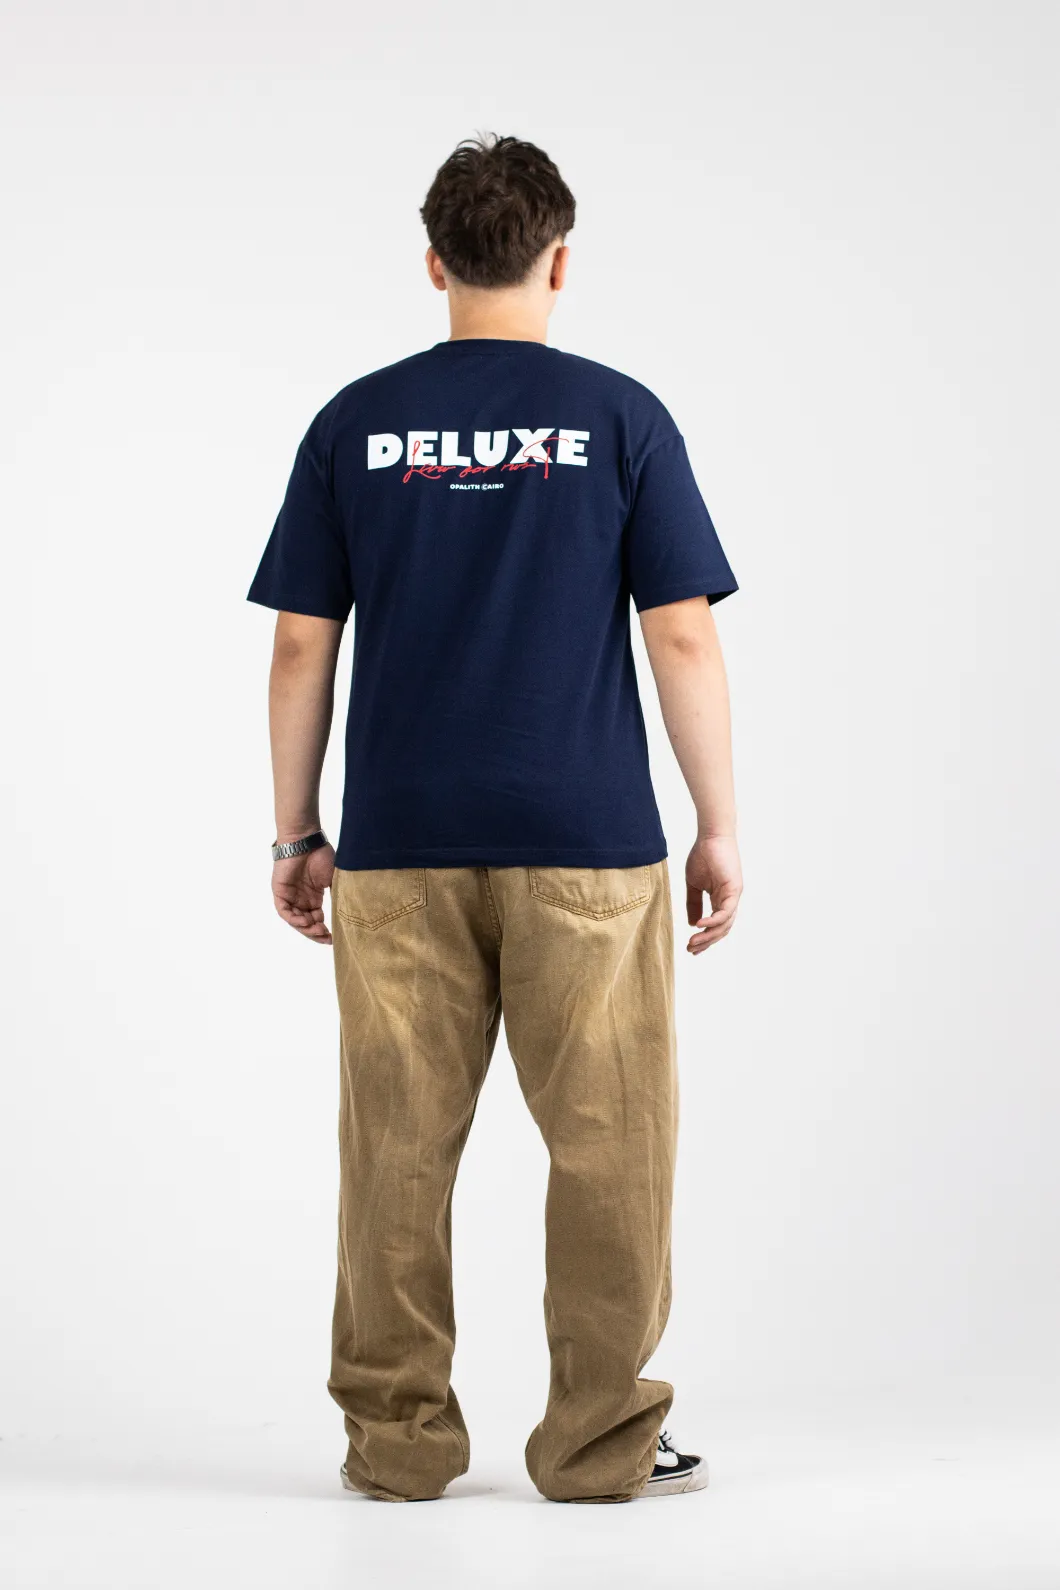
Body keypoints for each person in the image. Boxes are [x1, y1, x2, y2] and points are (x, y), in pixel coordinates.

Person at [248, 134, 741, 1505]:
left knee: (394, 1152)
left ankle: (398, 1444)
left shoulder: (356, 423)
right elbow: (682, 636)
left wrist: (294, 831)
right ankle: (597, 1443)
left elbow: (300, 643)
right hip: (589, 839)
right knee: (612, 1145)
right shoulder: (621, 417)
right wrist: (718, 823)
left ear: (434, 263)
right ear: (559, 260)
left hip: (400, 842)